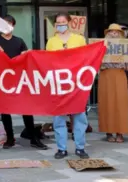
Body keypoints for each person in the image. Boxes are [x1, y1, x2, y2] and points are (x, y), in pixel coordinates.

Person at [0, 15, 48, 150]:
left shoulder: (19, 41)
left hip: (20, 79)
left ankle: (33, 137)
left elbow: (24, 58)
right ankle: (10, 138)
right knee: (5, 110)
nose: (7, 27)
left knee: (26, 108)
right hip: (2, 80)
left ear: (13, 26)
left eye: (9, 24)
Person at [45, 12, 89, 159]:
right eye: (58, 22)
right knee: (59, 118)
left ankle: (80, 147)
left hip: (76, 83)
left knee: (79, 116)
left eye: (63, 22)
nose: (61, 24)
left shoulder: (79, 39)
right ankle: (61, 148)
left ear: (69, 23)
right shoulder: (51, 41)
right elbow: (47, 60)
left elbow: (85, 58)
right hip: (59, 83)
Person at [97, 24, 128, 143]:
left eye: (116, 32)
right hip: (105, 75)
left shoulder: (126, 46)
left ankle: (120, 132)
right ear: (107, 33)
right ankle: (108, 132)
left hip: (120, 74)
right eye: (111, 32)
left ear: (121, 34)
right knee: (106, 103)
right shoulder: (101, 45)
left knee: (121, 103)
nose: (114, 34)